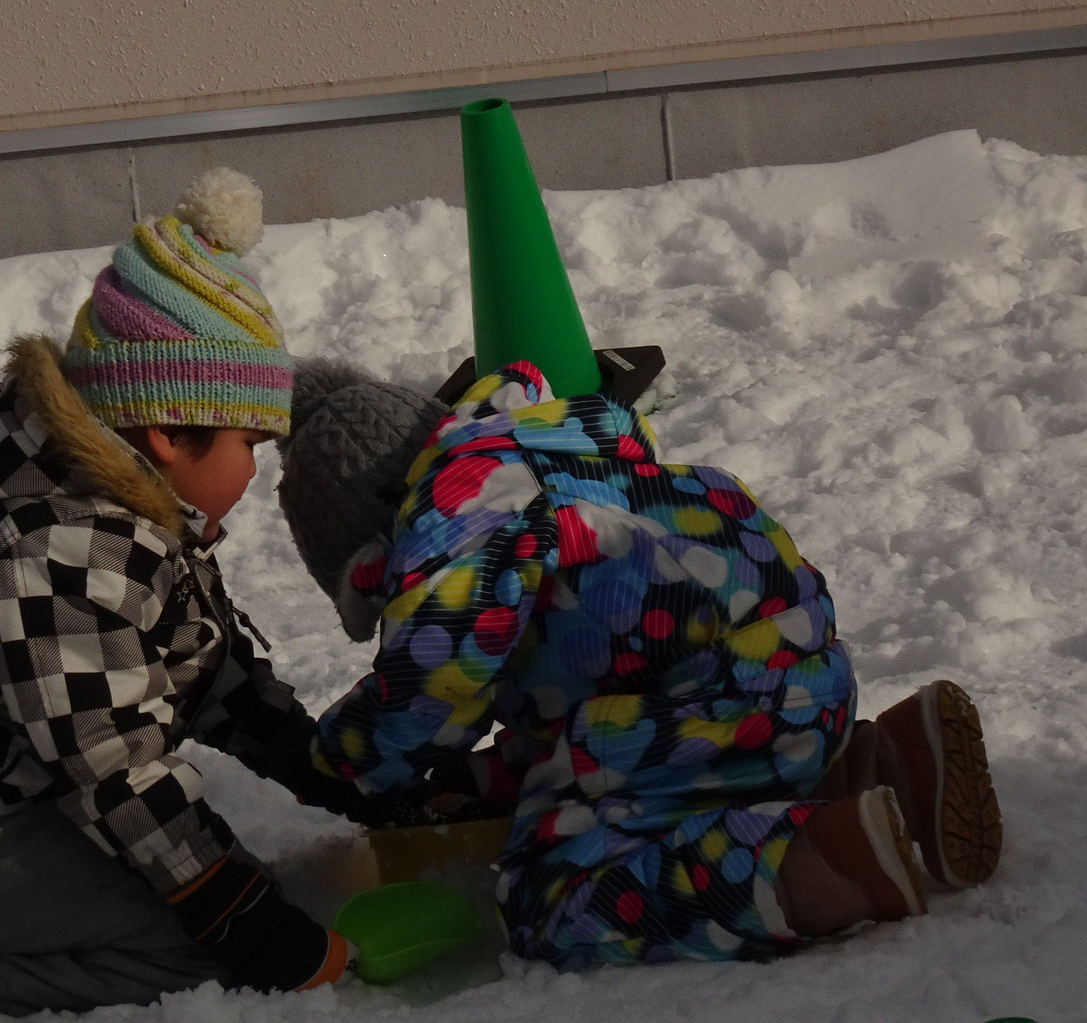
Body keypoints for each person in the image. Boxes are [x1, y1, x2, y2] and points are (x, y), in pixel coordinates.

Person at [0, 170, 375, 1014]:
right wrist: (238, 914)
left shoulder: (113, 503)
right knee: (196, 945)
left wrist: (333, 774)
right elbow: (110, 765)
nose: (257, 468)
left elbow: (195, 674)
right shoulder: (66, 548)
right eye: (251, 441)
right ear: (168, 432)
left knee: (198, 889)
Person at [275, 354, 1004, 968]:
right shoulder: (556, 461)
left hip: (712, 709)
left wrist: (347, 760)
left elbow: (434, 676)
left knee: (552, 891)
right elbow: (574, 688)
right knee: (647, 774)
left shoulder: (460, 524)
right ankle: (883, 768)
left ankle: (807, 866)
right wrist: (479, 778)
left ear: (375, 549)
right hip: (798, 685)